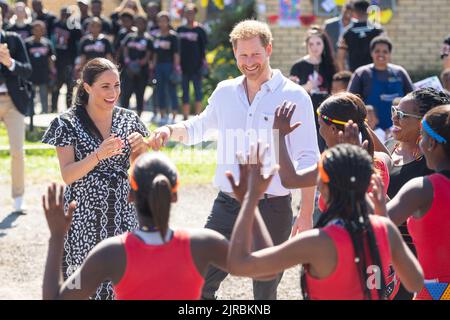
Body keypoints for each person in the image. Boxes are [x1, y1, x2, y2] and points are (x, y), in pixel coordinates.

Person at [148, 20, 320, 300]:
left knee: (264, 293)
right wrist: (169, 130)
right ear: (235, 54)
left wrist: (305, 213)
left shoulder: (295, 97)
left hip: (273, 208)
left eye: (255, 54)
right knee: (199, 282)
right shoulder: (225, 92)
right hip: (227, 205)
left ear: (269, 50)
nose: (249, 62)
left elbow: (307, 158)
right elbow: (199, 126)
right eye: (243, 55)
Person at [42, 152, 276, 299]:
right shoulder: (203, 244)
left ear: (130, 195)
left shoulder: (111, 253)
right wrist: (250, 199)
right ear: (174, 196)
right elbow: (268, 271)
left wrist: (56, 237)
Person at [227, 142, 424, 300]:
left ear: (324, 187)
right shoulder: (384, 229)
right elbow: (415, 283)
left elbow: (242, 265)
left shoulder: (318, 242)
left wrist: (250, 199)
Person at [41, 58, 149, 300]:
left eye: (117, 85)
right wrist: (98, 155)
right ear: (87, 87)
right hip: (83, 218)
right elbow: (68, 175)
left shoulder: (129, 119)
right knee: (82, 285)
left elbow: (140, 169)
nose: (113, 93)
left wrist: (141, 150)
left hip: (122, 212)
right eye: (105, 86)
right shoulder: (66, 123)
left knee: (124, 282)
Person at [371, 105, 450, 300]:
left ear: (431, 143)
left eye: (422, 136)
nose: (420, 143)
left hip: (436, 291)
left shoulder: (422, 189)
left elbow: (378, 225)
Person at [0, 6, 32, 213]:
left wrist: (9, 62)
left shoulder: (13, 39)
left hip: (13, 101)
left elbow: (28, 70)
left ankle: (18, 197)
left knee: (17, 152)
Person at [348, 36, 414, 131]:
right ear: (371, 53)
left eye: (385, 52)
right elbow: (351, 101)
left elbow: (413, 99)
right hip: (371, 131)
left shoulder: (400, 72)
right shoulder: (362, 73)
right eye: (377, 51)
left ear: (390, 54)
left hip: (399, 129)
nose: (381, 54)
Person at [290, 26, 336, 152]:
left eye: (318, 43)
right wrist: (306, 87)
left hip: (326, 111)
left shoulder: (330, 65)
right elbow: (291, 93)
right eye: (311, 44)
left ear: (324, 45)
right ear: (306, 45)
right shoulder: (298, 66)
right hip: (306, 109)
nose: (315, 47)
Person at [177, 3, 207, 120]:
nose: (189, 14)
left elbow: (204, 48)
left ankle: (197, 117)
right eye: (187, 12)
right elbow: (177, 50)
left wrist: (204, 64)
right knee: (185, 92)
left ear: (195, 13)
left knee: (198, 91)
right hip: (183, 66)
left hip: (197, 66)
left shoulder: (200, 30)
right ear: (184, 14)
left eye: (191, 12)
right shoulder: (180, 29)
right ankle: (185, 117)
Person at [336, 0, 384, 72]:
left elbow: (340, 58)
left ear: (354, 13)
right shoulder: (378, 30)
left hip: (355, 73)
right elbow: (385, 53)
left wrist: (344, 75)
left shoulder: (347, 32)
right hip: (375, 72)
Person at [51, 6, 83, 112]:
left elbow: (79, 35)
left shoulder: (73, 26)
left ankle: (69, 110)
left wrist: (72, 20)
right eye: (63, 14)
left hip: (69, 61)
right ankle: (53, 109)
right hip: (57, 62)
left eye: (67, 14)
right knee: (56, 87)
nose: (65, 16)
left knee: (70, 87)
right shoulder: (55, 24)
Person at [120, 15, 153, 117]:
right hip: (128, 70)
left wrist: (142, 62)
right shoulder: (130, 37)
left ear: (145, 24)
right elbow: (124, 49)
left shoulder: (148, 39)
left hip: (142, 71)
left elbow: (149, 54)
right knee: (126, 93)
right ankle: (124, 115)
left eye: (142, 23)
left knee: (140, 94)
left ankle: (139, 115)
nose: (139, 25)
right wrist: (127, 60)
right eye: (137, 22)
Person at [152, 11, 180, 125]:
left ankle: (174, 116)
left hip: (169, 65)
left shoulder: (173, 36)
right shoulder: (157, 36)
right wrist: (153, 66)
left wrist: (176, 68)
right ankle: (162, 115)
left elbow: (176, 54)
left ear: (168, 22)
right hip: (159, 66)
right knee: (160, 90)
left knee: (171, 90)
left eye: (164, 20)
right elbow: (155, 53)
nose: (162, 23)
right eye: (160, 21)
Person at [25, 20, 55, 114]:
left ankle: (44, 117)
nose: (38, 31)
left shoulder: (47, 43)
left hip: (44, 74)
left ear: (44, 31)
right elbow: (24, 59)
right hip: (31, 74)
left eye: (41, 29)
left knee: (44, 97)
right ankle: (30, 119)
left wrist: (52, 72)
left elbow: (51, 59)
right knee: (30, 97)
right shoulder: (27, 43)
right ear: (32, 30)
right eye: (36, 29)